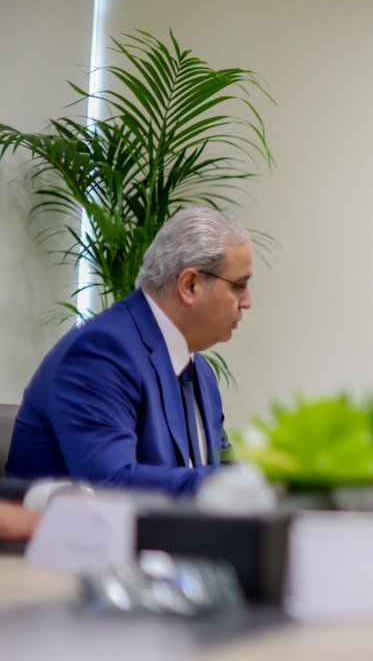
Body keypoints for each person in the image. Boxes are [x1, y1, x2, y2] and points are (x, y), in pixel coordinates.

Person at [6, 207, 253, 496]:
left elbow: (224, 471)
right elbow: (111, 484)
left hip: (170, 526)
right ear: (190, 285)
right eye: (239, 286)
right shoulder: (101, 353)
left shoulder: (200, 373)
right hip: (60, 526)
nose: (247, 301)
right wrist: (232, 485)